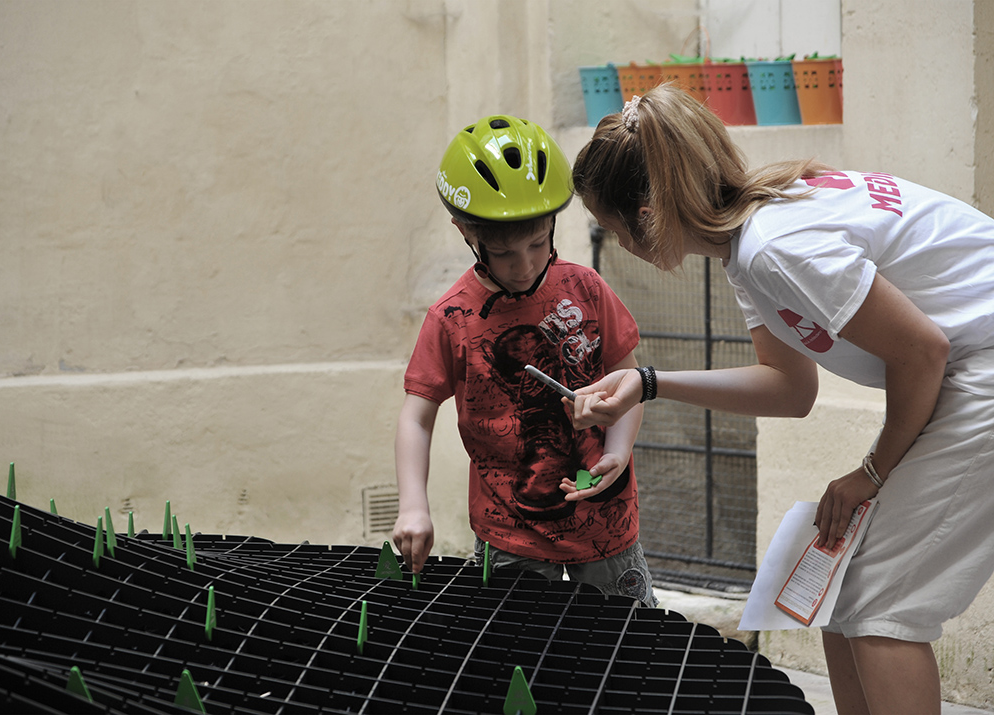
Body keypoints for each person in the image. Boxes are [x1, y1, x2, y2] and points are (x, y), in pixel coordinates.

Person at [566, 84, 994, 714]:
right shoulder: (751, 242)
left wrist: (871, 472)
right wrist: (649, 384)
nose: (619, 244)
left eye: (611, 225)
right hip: (965, 366)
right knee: (840, 591)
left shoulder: (774, 247)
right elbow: (791, 389)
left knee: (882, 610)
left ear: (649, 209)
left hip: (979, 368)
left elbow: (922, 352)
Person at [392, 114, 658, 607]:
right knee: (521, 665)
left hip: (604, 521)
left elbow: (630, 380)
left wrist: (618, 452)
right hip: (510, 534)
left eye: (538, 244)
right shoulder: (451, 317)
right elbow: (417, 416)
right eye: (505, 252)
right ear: (466, 232)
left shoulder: (587, 288)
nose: (527, 264)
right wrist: (413, 505)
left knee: (622, 654)